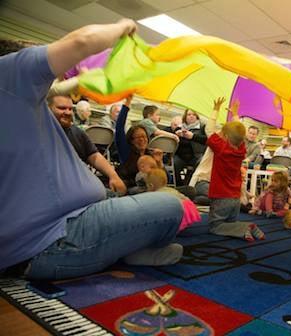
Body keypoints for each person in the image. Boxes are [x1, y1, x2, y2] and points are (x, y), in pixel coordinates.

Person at [0, 20, 185, 280]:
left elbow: (57, 95)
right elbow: (81, 41)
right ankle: (127, 250)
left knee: (141, 202)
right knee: (171, 205)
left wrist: (75, 82)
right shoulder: (9, 71)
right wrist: (125, 26)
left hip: (63, 228)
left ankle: (125, 249)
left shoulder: (19, 102)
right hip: (56, 239)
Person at [206, 98, 265, 241]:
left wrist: (215, 109)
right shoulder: (242, 150)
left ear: (225, 137)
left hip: (220, 196)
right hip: (235, 197)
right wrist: (235, 114)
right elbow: (239, 133)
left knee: (215, 226)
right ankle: (246, 228)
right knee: (229, 223)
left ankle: (245, 227)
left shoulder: (221, 148)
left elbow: (209, 130)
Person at [48, 94, 127, 195]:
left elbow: (94, 155)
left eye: (70, 109)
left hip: (83, 186)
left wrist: (113, 176)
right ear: (48, 109)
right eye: (62, 108)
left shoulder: (76, 132)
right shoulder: (40, 133)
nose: (68, 112)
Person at [145, 169, 201, 234]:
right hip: (189, 207)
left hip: (179, 210)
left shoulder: (155, 195)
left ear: (151, 186)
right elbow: (184, 197)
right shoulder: (171, 190)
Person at [173, 109, 207, 186]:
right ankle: (179, 185)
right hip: (181, 156)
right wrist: (177, 134)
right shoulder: (179, 128)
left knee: (200, 163)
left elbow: (206, 140)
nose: (191, 116)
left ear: (197, 117)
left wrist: (192, 136)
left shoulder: (202, 127)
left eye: (193, 114)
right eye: (189, 114)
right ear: (185, 117)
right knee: (174, 163)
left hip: (196, 155)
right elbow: (173, 137)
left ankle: (190, 184)